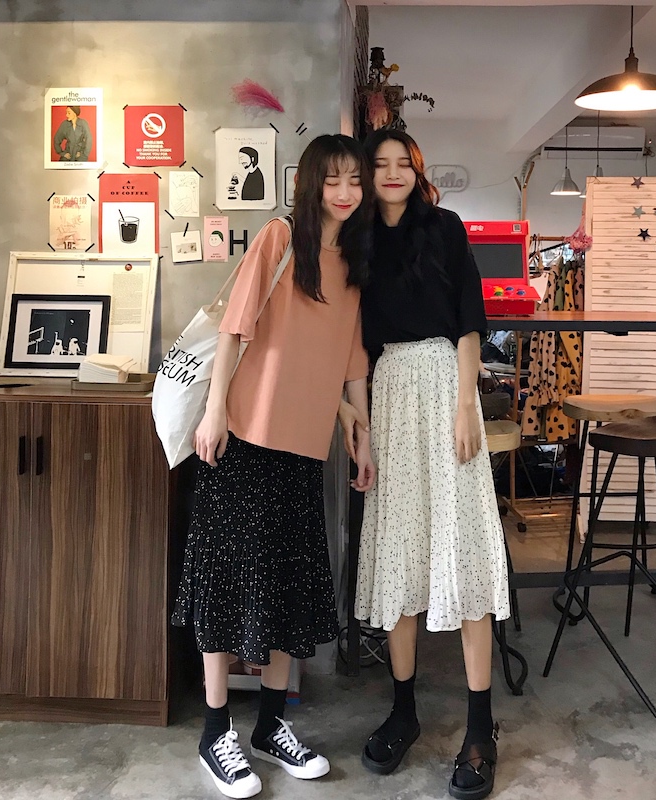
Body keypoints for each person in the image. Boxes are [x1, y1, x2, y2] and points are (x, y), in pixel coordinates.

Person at [171, 133, 376, 800]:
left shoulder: (353, 261)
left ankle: (269, 727)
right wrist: (213, 413)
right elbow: (235, 329)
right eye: (333, 179)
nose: (345, 192)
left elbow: (349, 361)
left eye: (355, 181)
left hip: (303, 445)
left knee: (288, 585)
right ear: (311, 183)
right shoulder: (279, 239)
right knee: (226, 581)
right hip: (243, 437)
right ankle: (215, 731)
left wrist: (360, 431)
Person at [340, 129, 509, 800]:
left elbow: (469, 321)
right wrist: (361, 428)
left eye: (401, 164)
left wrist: (467, 406)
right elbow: (353, 347)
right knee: (401, 555)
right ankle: (403, 711)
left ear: (416, 170)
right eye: (378, 165)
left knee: (464, 551)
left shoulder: (445, 227)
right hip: (388, 395)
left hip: (445, 387)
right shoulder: (356, 241)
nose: (391, 174)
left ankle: (480, 729)